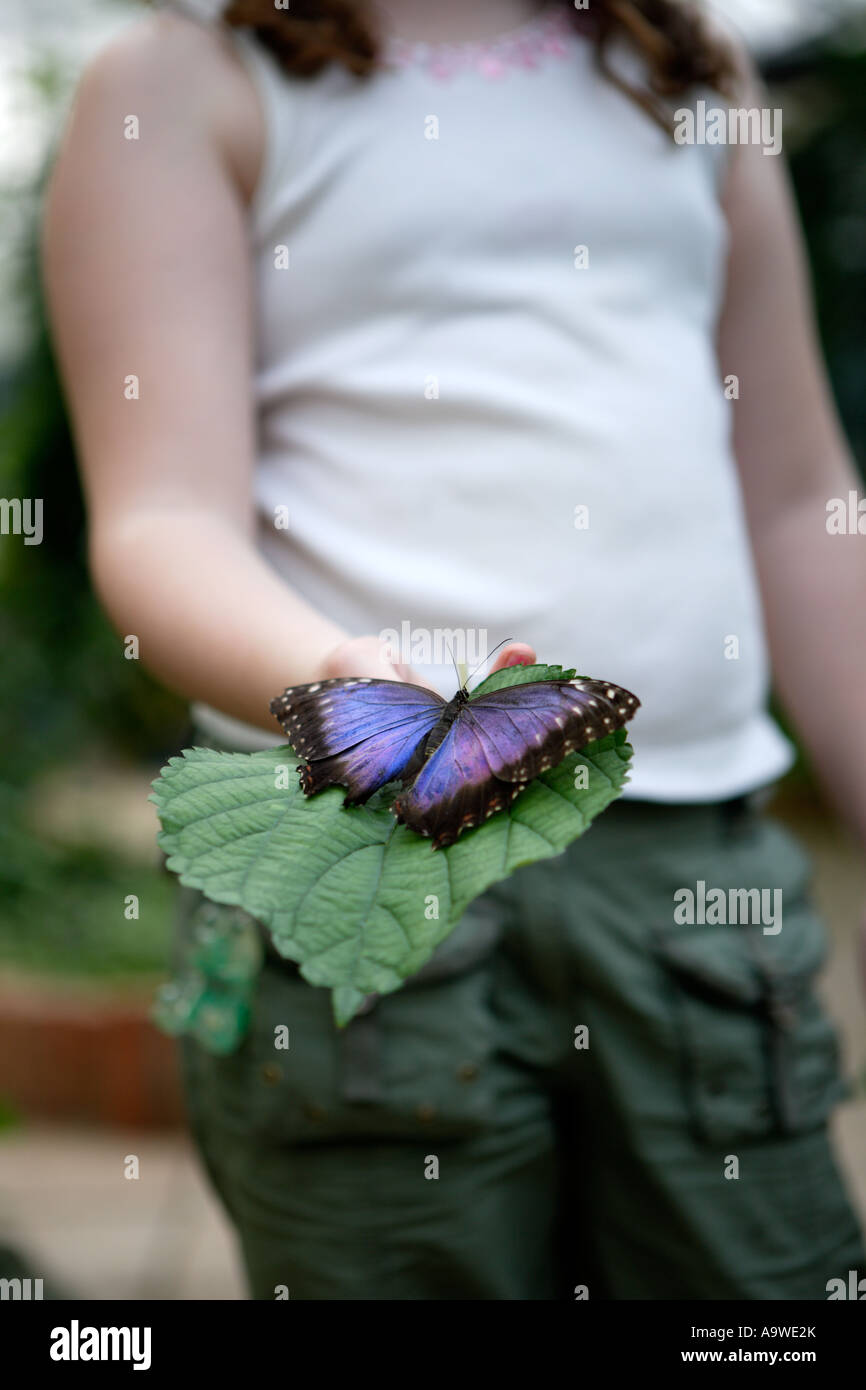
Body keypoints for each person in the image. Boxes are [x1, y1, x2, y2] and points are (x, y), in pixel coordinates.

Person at [41, 0, 866, 1299]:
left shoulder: (690, 72)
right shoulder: (184, 81)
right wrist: (325, 673)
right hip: (358, 848)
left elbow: (797, 498)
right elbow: (157, 515)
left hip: (690, 884)